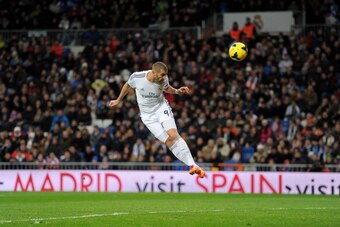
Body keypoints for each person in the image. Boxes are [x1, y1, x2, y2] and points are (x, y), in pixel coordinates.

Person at [109, 61, 205, 178]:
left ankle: (193, 165)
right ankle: (191, 165)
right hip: (147, 117)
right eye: (162, 75)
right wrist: (118, 100)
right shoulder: (137, 77)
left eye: (165, 75)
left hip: (161, 108)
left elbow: (166, 88)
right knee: (168, 141)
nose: (164, 77)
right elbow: (127, 85)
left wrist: (177, 91)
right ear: (153, 73)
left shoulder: (163, 79)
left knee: (173, 135)